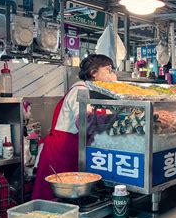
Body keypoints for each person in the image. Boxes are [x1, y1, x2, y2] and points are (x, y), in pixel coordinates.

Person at [32, 54, 117, 200]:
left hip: (72, 150)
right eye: (109, 70)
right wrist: (115, 116)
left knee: (70, 197)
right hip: (60, 153)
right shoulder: (79, 90)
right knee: (52, 199)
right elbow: (84, 120)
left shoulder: (91, 91)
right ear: (93, 73)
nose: (113, 74)